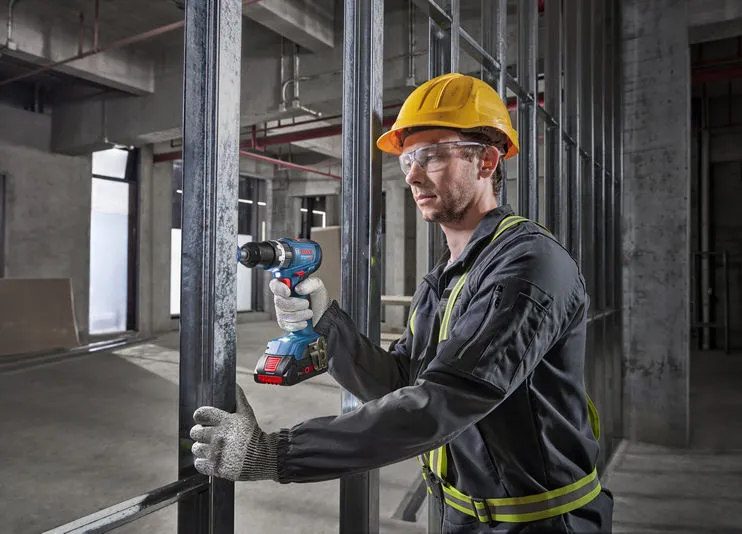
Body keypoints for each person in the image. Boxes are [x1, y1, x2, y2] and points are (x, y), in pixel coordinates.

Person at [190, 73, 614, 533]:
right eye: (408, 158)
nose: (412, 174)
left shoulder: (529, 265)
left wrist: (275, 452)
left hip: (544, 524)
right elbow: (402, 382)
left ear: (487, 161)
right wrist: (326, 327)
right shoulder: (445, 276)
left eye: (431, 156)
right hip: (462, 517)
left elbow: (443, 401)